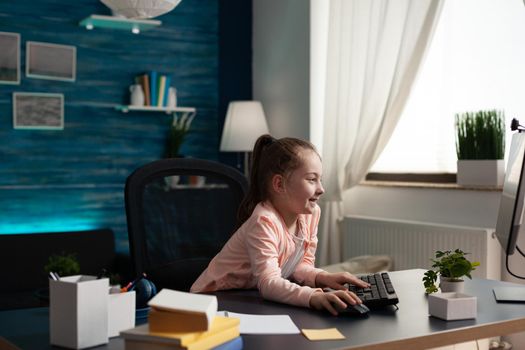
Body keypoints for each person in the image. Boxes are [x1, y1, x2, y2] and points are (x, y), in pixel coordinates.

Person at [191, 134, 369, 315]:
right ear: (279, 184)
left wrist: (323, 277)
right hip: (213, 302)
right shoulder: (264, 220)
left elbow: (299, 266)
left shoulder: (310, 214)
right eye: (311, 179)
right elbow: (269, 282)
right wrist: (312, 296)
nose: (321, 189)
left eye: (320, 179)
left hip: (249, 296)